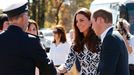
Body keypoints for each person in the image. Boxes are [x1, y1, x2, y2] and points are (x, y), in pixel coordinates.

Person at [1, 0, 57, 75]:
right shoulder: (32, 41)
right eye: (27, 16)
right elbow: (50, 71)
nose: (28, 19)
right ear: (23, 17)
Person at [57, 8, 101, 75]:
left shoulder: (99, 40)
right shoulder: (76, 43)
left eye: (81, 20)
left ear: (90, 21)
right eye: (77, 21)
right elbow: (68, 63)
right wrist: (58, 70)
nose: (78, 24)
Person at [91, 9, 129, 75]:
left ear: (100, 20)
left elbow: (106, 71)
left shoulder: (110, 38)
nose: (92, 27)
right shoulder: (114, 35)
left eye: (92, 23)